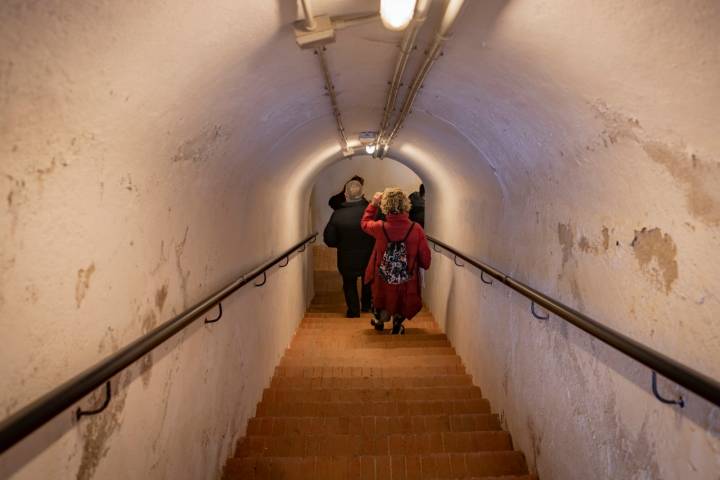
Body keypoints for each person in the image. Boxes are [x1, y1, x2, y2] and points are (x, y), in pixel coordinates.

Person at [361, 187, 431, 334]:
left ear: (385, 205)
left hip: (383, 275)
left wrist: (373, 204)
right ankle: (398, 323)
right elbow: (425, 258)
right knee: (402, 299)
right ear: (406, 204)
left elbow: (365, 223)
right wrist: (422, 265)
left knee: (383, 298)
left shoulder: (379, 227)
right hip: (407, 276)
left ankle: (380, 320)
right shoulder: (416, 228)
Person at [323, 179, 375, 317]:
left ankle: (353, 311)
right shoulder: (373, 212)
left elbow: (329, 240)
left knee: (349, 282)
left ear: (346, 195)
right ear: (363, 193)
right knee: (368, 280)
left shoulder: (337, 214)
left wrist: (341, 244)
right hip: (369, 255)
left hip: (346, 256)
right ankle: (366, 306)